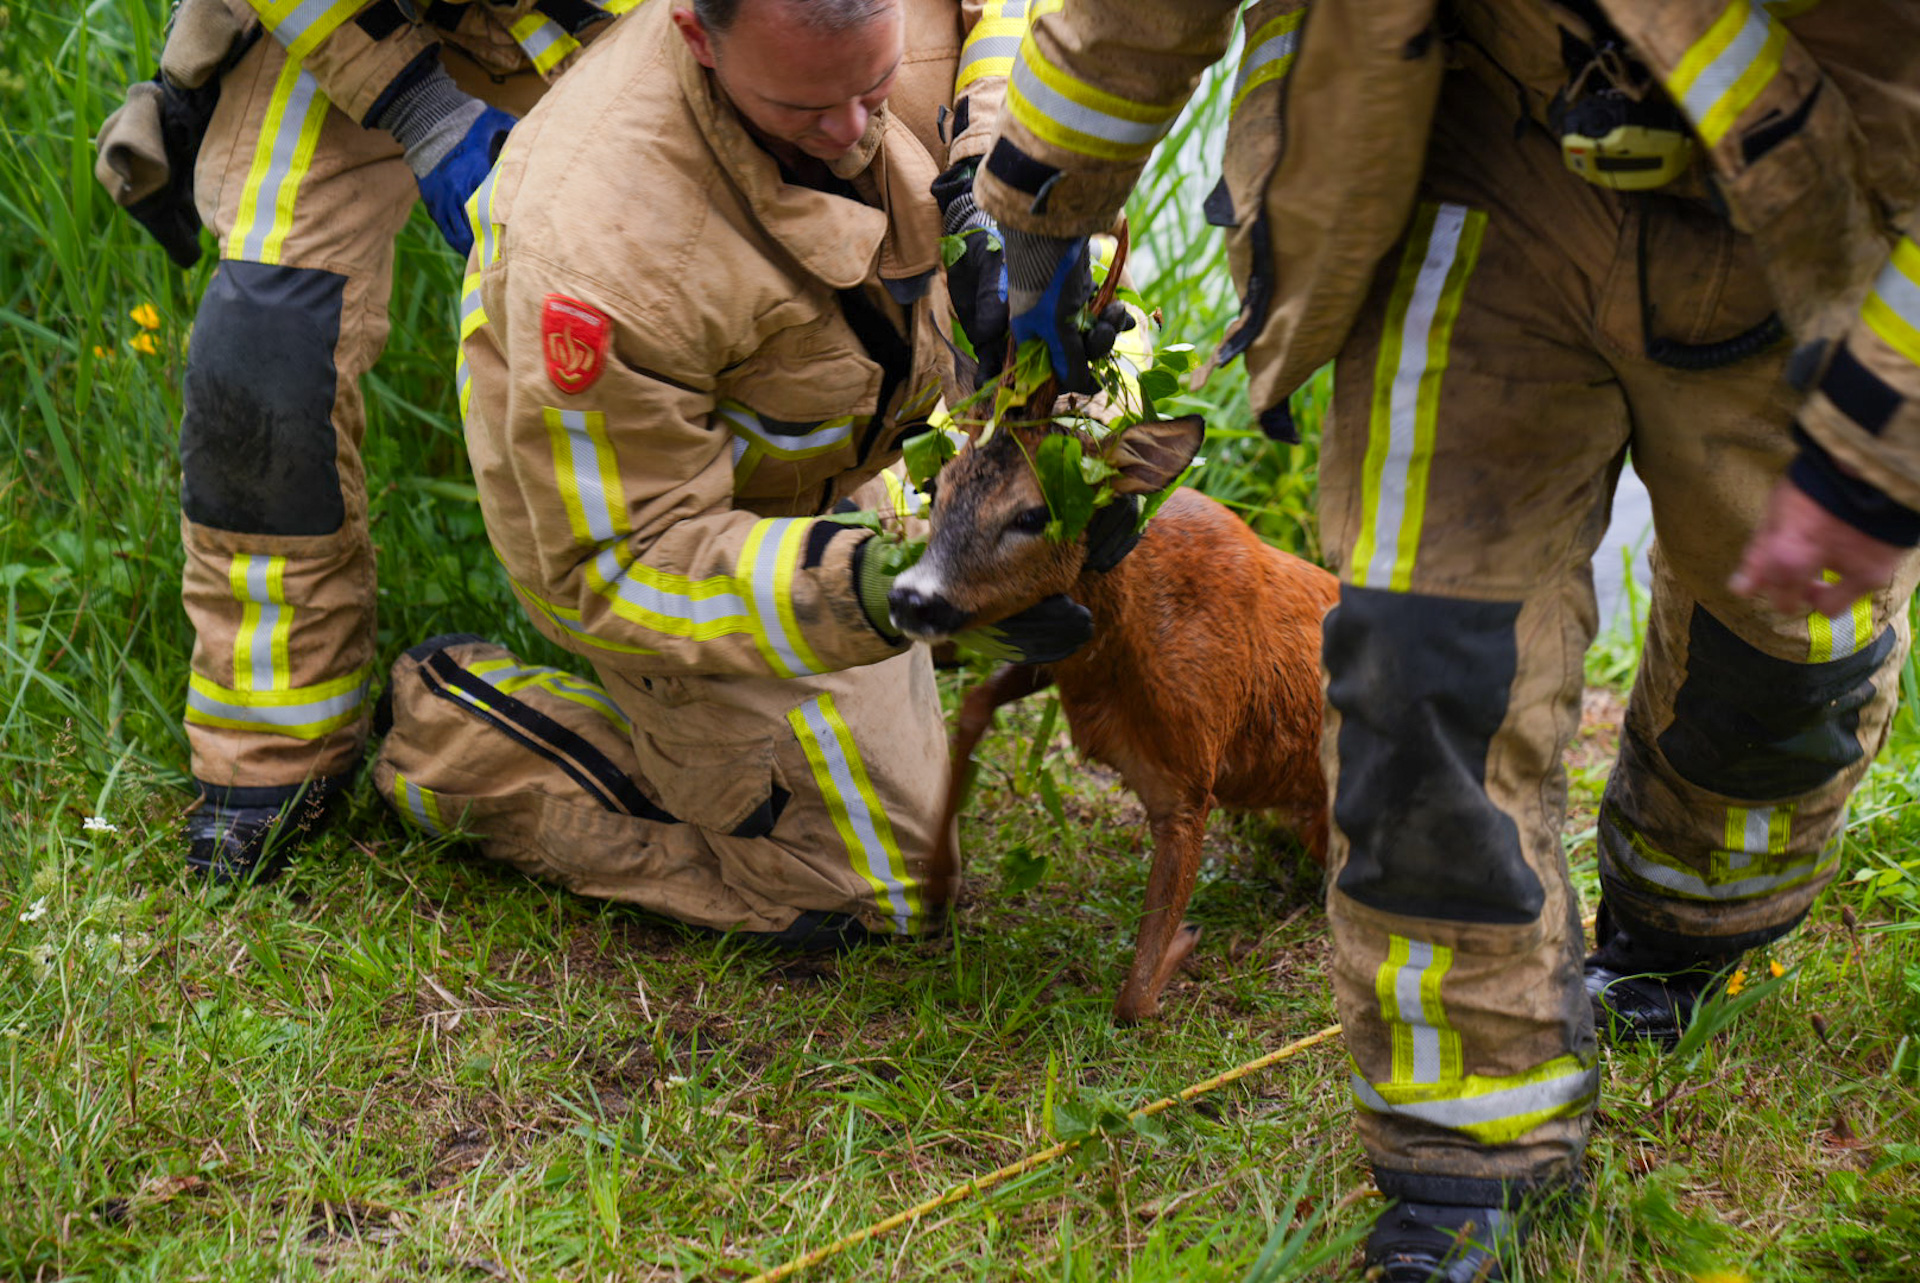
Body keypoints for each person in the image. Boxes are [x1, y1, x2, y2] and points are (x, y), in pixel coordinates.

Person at [961, 0, 1920, 1277]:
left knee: (1780, 656)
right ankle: (1465, 1152)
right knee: (1418, 663)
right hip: (1475, 170)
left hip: (1806, 204)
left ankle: (1690, 935)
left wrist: (1883, 437)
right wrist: (1043, 212)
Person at [369, 0, 1094, 950]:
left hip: (841, 437)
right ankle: (446, 728)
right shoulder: (594, 249)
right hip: (661, 525)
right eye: (806, 108)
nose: (853, 132)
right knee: (884, 887)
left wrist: (993, 181)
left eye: (876, 84)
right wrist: (869, 589)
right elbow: (624, 562)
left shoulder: (839, 64)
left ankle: (881, 653)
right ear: (697, 34)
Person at [95, 0, 642, 884]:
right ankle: (272, 752)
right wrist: (426, 113)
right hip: (340, 23)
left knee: (713, 277)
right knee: (268, 341)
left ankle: (846, 585)